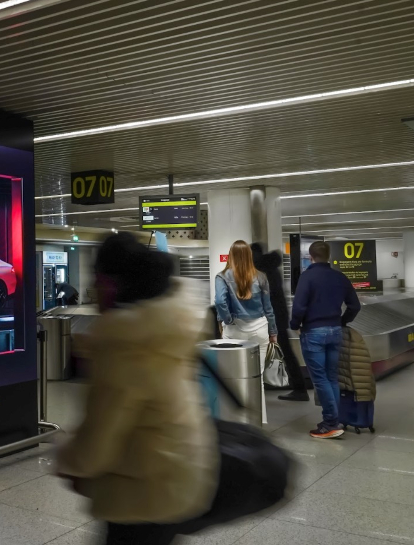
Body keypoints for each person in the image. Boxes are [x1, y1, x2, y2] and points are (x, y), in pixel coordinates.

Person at [57, 233, 217, 545]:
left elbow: (98, 441)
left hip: (142, 492)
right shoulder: (166, 324)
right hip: (177, 470)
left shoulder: (125, 346)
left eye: (97, 279)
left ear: (111, 282)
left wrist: (68, 461)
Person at [290, 241, 360, 439]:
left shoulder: (307, 277)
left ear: (310, 256)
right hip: (335, 331)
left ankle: (330, 423)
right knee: (331, 377)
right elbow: (354, 306)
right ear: (328, 256)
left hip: (313, 332)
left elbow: (299, 307)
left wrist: (295, 325)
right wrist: (342, 321)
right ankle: (333, 420)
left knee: (320, 379)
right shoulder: (340, 277)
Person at [214, 240, 276, 423]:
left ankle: (235, 420)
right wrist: (273, 331)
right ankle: (259, 419)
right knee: (257, 376)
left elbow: (219, 302)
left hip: (234, 331)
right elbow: (268, 308)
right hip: (259, 329)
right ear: (249, 256)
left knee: (232, 377)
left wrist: (228, 320)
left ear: (231, 255)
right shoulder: (261, 277)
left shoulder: (222, 276)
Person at [250, 243, 309, 401]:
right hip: (277, 318)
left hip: (268, 319)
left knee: (254, 352)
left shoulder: (261, 271)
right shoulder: (270, 268)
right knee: (286, 353)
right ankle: (299, 388)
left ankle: (253, 389)